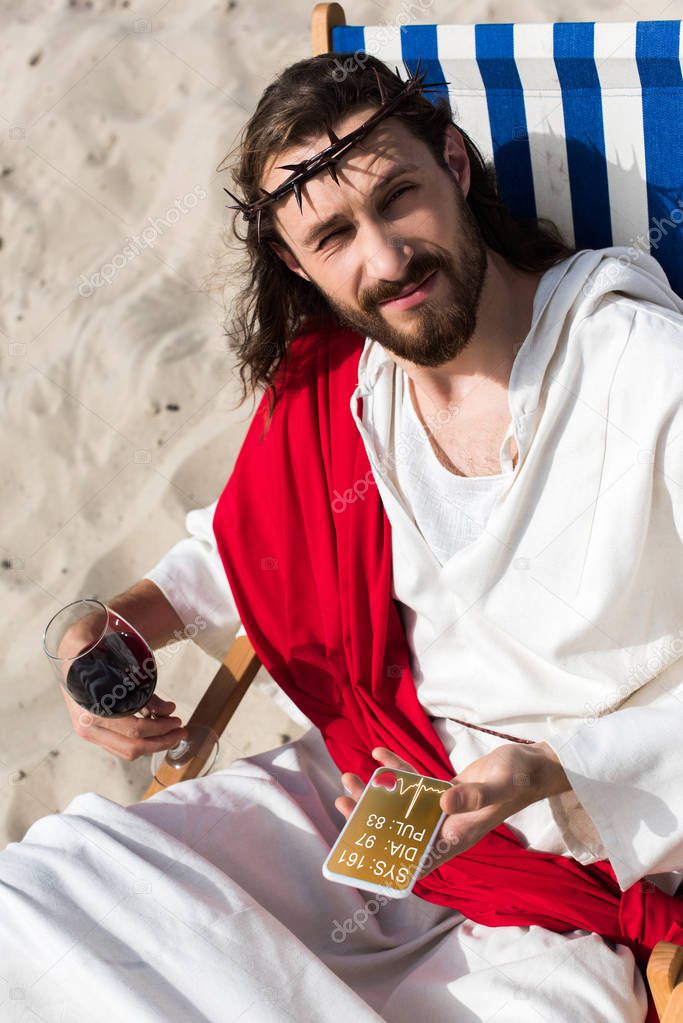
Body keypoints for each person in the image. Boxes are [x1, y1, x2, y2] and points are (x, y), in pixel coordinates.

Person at [4, 52, 683, 1023]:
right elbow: (245, 553)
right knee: (38, 906)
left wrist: (553, 766)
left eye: (396, 197)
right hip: (370, 789)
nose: (384, 258)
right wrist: (102, 634)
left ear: (452, 162)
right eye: (332, 235)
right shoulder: (344, 389)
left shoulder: (636, 369)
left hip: (578, 859)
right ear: (295, 263)